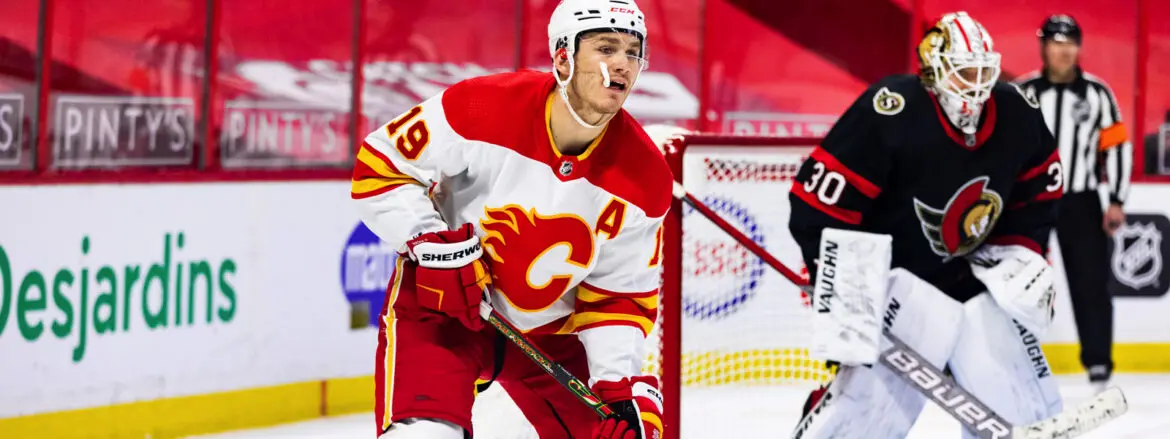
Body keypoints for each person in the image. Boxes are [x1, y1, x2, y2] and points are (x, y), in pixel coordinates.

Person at [350, 0, 671, 438]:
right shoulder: (480, 106)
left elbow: (618, 297)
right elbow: (381, 166)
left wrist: (619, 387)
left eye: (633, 52)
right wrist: (429, 241)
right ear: (563, 57)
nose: (622, 64)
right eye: (605, 48)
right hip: (446, 307)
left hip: (553, 337)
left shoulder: (646, 177)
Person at [787, 12, 1065, 438]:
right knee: (865, 420)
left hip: (967, 274)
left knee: (1022, 410)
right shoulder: (892, 110)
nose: (976, 86)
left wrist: (1021, 250)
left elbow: (1041, 187)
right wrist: (845, 288)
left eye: (983, 72)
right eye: (963, 73)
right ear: (935, 72)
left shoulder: (1015, 111)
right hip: (895, 283)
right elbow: (816, 205)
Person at [1016, 14, 1132, 391]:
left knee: (1090, 282)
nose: (1063, 51)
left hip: (1081, 199)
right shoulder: (1023, 92)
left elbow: (1116, 146)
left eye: (1070, 43)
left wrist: (1116, 199)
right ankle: (1013, 354)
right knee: (1019, 280)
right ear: (1044, 47)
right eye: (1056, 42)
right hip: (1032, 200)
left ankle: (1098, 362)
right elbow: (1003, 148)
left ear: (1079, 48)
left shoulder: (1098, 93)